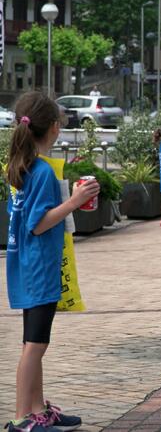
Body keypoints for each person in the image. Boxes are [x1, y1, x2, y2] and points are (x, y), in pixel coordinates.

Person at [5, 92, 99, 432]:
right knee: (35, 346)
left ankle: (37, 409)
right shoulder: (42, 171)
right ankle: (21, 418)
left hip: (26, 265)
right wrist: (75, 201)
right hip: (40, 268)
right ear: (55, 128)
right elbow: (40, 222)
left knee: (33, 342)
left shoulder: (20, 166)